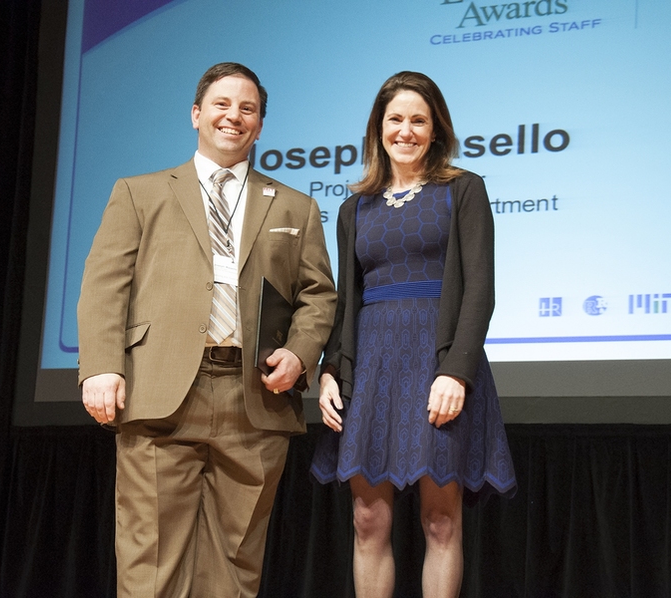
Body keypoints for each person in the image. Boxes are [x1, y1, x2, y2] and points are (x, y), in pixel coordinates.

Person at [78, 62, 336, 598]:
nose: (233, 116)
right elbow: (105, 285)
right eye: (222, 104)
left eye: (248, 109)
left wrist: (299, 352)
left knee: (235, 569)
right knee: (151, 566)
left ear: (260, 125)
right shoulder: (140, 193)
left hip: (255, 399)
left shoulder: (298, 206)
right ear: (196, 114)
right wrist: (101, 366)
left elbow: (318, 295)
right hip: (161, 392)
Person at [311, 71, 517, 598]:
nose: (406, 131)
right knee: (367, 519)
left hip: (436, 367)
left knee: (440, 521)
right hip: (372, 368)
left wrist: (456, 372)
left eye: (418, 120)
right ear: (377, 129)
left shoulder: (463, 189)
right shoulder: (354, 208)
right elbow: (346, 300)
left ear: (436, 129)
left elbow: (480, 289)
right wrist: (330, 370)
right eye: (396, 119)